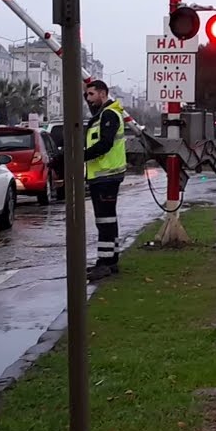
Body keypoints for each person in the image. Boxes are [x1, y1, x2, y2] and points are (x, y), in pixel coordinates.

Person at [83, 80, 126, 282]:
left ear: (102, 93)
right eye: (87, 95)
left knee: (105, 221)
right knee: (109, 220)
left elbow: (105, 144)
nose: (88, 99)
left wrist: (80, 156)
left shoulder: (108, 114)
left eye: (91, 94)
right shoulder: (102, 115)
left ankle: (105, 263)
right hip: (103, 175)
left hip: (106, 176)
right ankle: (111, 260)